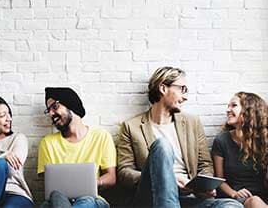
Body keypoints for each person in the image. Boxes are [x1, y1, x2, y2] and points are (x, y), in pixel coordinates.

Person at [117, 66, 242, 208]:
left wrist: (201, 186)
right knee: (162, 146)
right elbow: (124, 172)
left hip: (189, 197)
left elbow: (205, 164)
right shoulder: (131, 126)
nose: (185, 97)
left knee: (231, 205)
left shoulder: (192, 123)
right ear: (163, 88)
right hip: (151, 198)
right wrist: (166, 177)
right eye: (182, 89)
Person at [38, 87, 116, 208]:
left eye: (54, 107)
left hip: (92, 200)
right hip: (59, 200)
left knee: (86, 201)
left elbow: (111, 177)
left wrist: (92, 183)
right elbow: (50, 187)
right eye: (48, 110)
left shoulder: (101, 137)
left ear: (70, 105)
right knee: (53, 200)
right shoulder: (47, 143)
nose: (51, 114)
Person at [212, 92, 268, 208]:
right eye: (228, 106)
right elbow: (219, 180)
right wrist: (234, 193)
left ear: (249, 110)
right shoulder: (222, 141)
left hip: (263, 198)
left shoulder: (264, 141)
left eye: (234, 105)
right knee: (254, 201)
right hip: (235, 198)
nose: (228, 110)